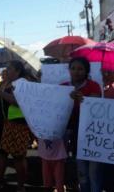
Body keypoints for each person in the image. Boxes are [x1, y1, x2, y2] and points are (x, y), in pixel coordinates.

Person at [0, 60, 31, 192]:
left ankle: (20, 186)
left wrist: (0, 93)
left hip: (17, 125)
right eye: (6, 68)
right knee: (1, 154)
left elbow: (17, 101)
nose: (6, 71)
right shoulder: (2, 84)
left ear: (18, 71)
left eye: (10, 69)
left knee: (18, 156)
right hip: (0, 124)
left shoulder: (23, 84)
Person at [62, 57, 102, 192]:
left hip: (91, 133)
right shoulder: (62, 87)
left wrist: (83, 100)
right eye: (73, 68)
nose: (76, 72)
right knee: (81, 170)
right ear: (69, 70)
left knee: (94, 171)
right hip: (72, 134)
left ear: (86, 71)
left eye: (80, 69)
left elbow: (96, 106)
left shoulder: (94, 86)